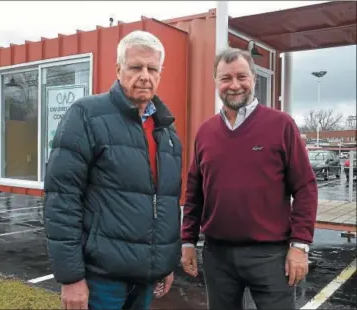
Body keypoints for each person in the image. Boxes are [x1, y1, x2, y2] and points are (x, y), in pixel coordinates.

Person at [44, 30, 183, 310]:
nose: (145, 75)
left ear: (160, 73)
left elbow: (166, 202)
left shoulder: (166, 130)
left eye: (152, 68)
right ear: (119, 69)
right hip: (101, 280)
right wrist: (71, 277)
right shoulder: (86, 115)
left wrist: (165, 263)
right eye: (135, 67)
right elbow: (62, 200)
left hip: (144, 280)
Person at [180, 47, 318, 310]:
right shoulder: (206, 132)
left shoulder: (281, 124)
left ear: (254, 78)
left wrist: (300, 245)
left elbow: (305, 187)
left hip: (270, 255)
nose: (234, 85)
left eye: (241, 77)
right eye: (225, 78)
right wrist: (187, 241)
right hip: (217, 255)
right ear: (215, 82)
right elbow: (195, 192)